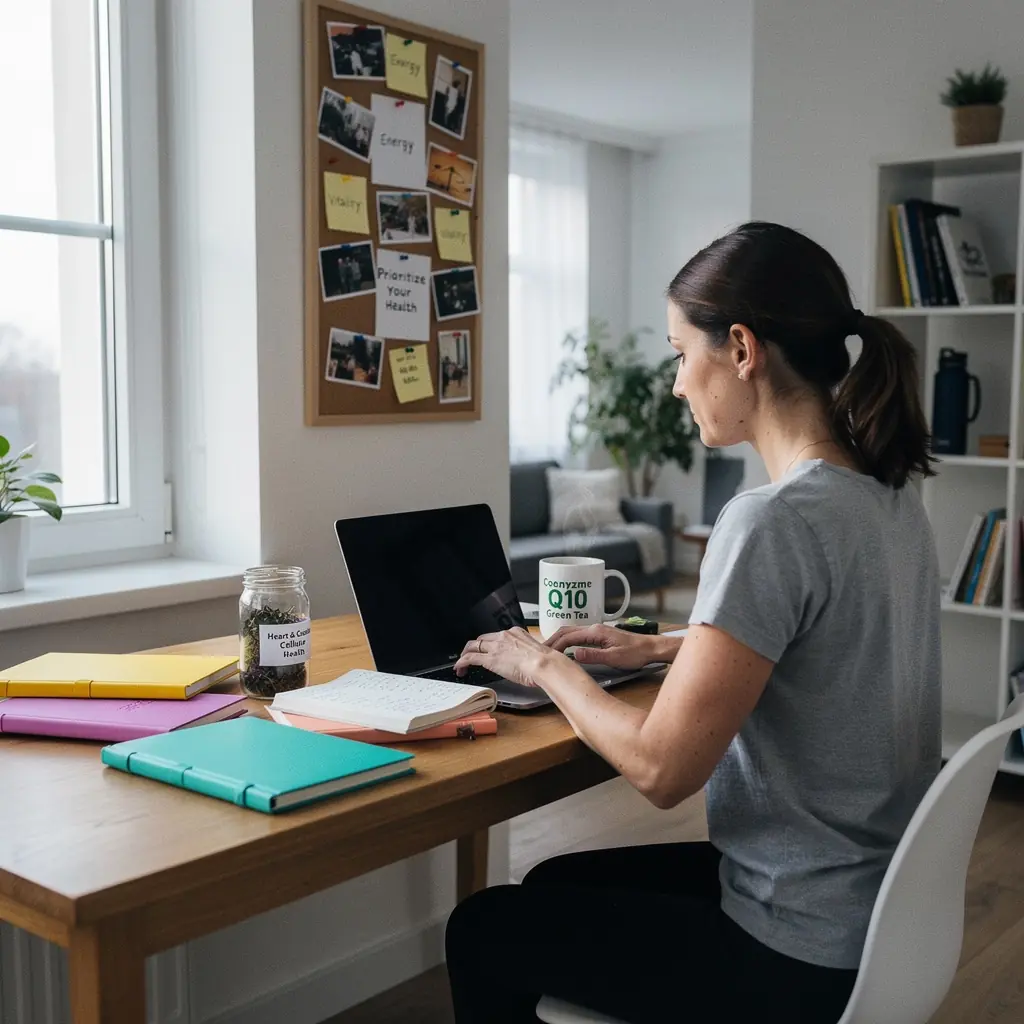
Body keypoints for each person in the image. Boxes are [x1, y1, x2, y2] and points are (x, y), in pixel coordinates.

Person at [444, 221, 941, 1024]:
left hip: (791, 946)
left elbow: (661, 770)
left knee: (481, 928)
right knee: (548, 887)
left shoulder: (769, 520)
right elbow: (836, 641)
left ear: (741, 349)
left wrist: (541, 666)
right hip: (873, 915)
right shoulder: (888, 499)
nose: (676, 383)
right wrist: (667, 643)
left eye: (682, 353)